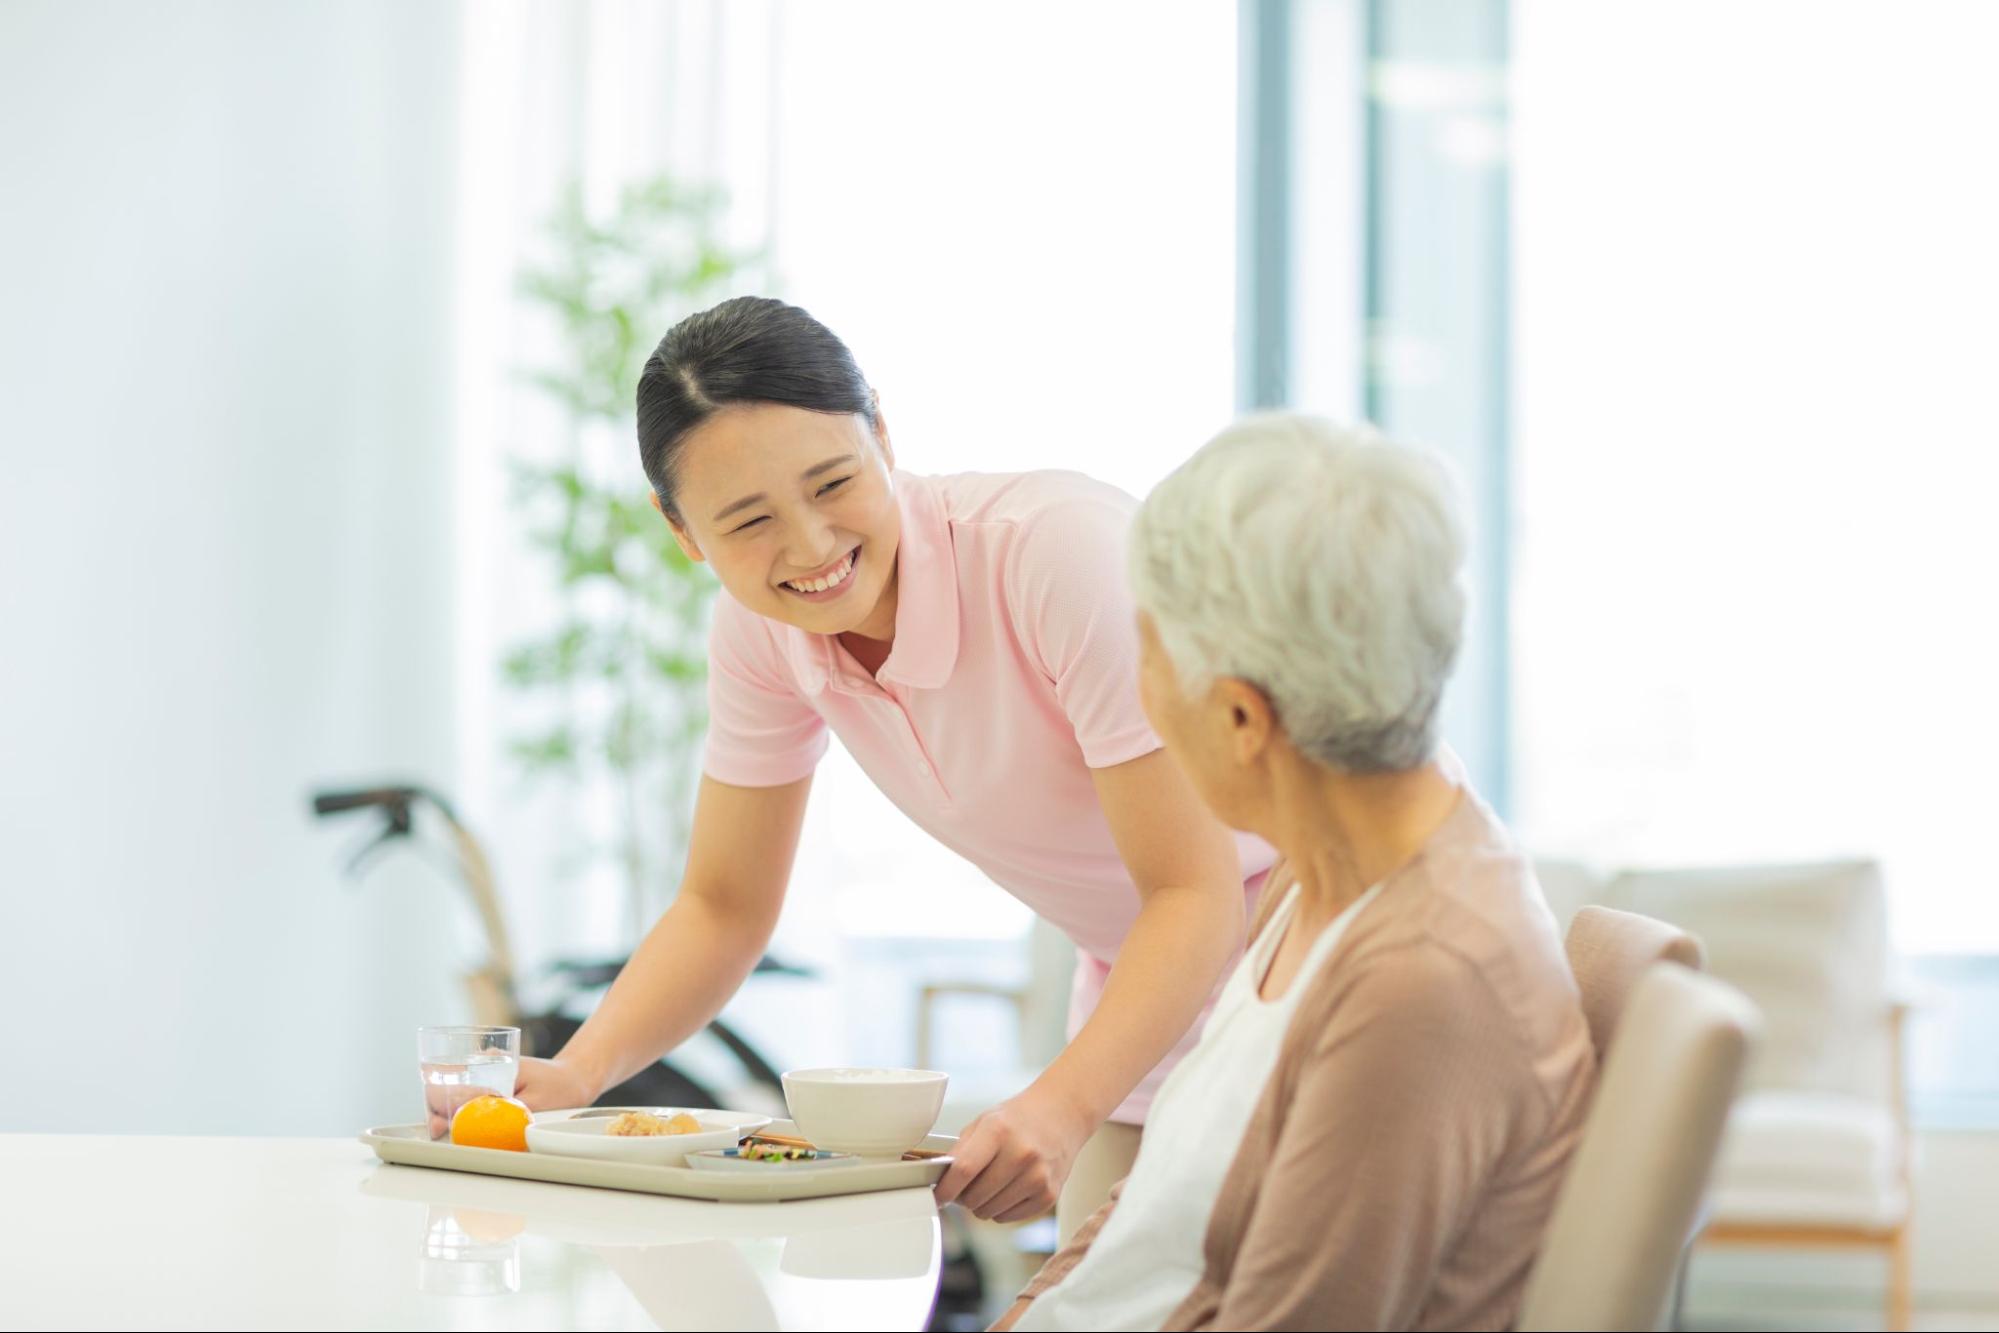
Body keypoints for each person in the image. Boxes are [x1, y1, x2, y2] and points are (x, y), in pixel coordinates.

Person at [509, 296, 1275, 1233]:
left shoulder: (1057, 552)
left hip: (1313, 938)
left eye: (833, 483)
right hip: (1148, 982)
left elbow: (1197, 890)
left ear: (881, 427)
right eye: (747, 521)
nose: (810, 547)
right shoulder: (759, 633)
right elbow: (722, 904)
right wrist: (575, 1074)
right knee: (1091, 1298)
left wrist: (1061, 1105)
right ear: (681, 531)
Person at [999, 414, 1596, 1330]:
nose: (1136, 703)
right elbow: (1157, 1204)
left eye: (1144, 659)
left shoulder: (1420, 978)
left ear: (1241, 719)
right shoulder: (1314, 879)